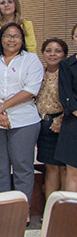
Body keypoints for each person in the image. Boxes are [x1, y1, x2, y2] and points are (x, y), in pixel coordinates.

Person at [0, 22, 43, 207]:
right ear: (1, 38)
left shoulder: (31, 60)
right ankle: (3, 208)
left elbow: (30, 89)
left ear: (22, 40)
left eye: (16, 36)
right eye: (7, 36)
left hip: (24, 120)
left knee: (22, 166)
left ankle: (22, 210)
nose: (11, 40)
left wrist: (3, 107)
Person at [35, 37, 68, 199]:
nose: (53, 54)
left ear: (64, 54)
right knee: (50, 167)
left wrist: (61, 119)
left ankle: (63, 208)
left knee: (64, 168)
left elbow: (71, 100)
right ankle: (50, 208)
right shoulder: (37, 73)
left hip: (62, 124)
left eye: (58, 51)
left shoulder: (67, 74)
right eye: (48, 51)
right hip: (42, 123)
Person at [57, 23, 77, 192]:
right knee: (73, 172)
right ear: (73, 39)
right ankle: (72, 208)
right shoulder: (66, 65)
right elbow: (67, 96)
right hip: (73, 123)